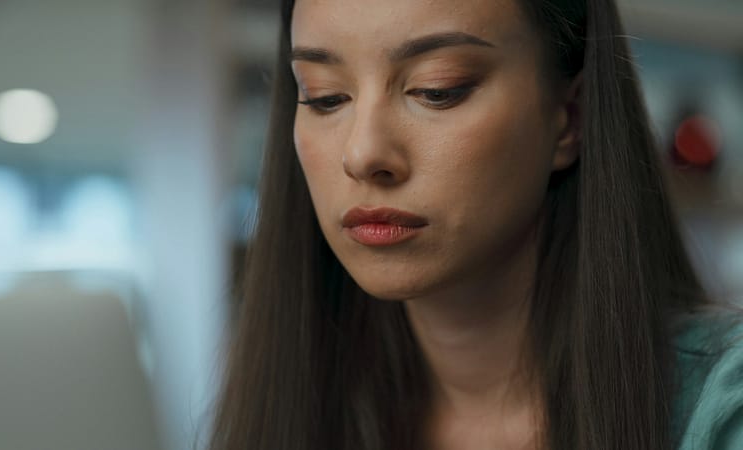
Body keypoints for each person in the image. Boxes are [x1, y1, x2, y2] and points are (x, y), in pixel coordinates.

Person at [209, 1, 743, 449]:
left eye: (436, 89)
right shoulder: (288, 408)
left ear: (570, 117)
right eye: (326, 97)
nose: (363, 152)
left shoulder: (719, 413)